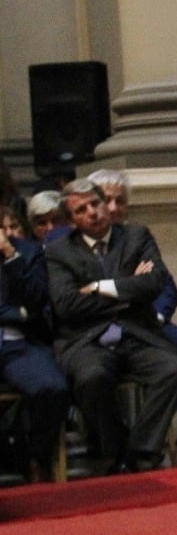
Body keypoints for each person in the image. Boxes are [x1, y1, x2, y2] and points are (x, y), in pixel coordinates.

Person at [46, 180, 177, 474]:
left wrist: (99, 287)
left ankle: (139, 451)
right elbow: (67, 305)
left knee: (173, 372)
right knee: (92, 379)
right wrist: (127, 293)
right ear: (72, 220)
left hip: (138, 333)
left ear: (105, 204)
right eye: (81, 210)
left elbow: (153, 283)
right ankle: (115, 447)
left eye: (95, 203)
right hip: (87, 340)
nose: (93, 213)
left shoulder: (136, 236)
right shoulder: (59, 251)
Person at [87, 169, 177, 465]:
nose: (115, 208)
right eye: (107, 200)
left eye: (121, 201)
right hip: (101, 328)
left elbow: (167, 288)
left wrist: (155, 315)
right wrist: (133, 285)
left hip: (149, 322)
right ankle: (119, 447)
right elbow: (88, 296)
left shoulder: (137, 237)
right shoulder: (80, 243)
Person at [0, 202, 70, 479]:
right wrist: (13, 313)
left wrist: (9, 254)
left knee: (52, 388)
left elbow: (37, 299)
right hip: (13, 326)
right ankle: (9, 454)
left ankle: (36, 455)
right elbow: (21, 310)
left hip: (19, 345)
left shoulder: (28, 251)